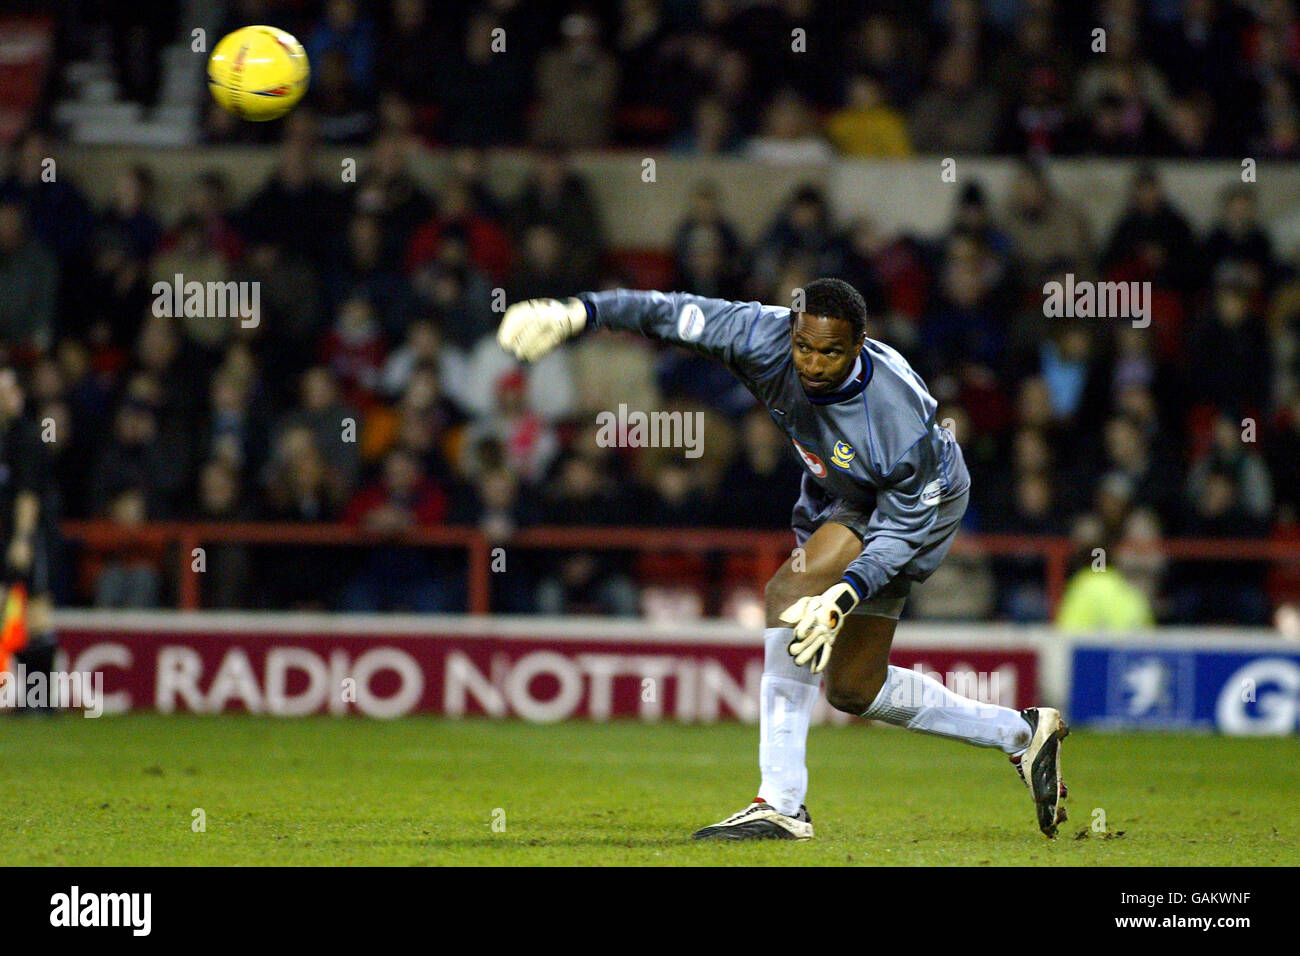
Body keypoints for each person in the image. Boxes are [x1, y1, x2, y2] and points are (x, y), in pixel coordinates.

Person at [498, 279, 1071, 839]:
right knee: (853, 688)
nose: (813, 364)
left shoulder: (895, 417)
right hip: (845, 490)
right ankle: (1020, 734)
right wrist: (582, 312)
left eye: (831, 353)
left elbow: (898, 531)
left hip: (924, 501)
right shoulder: (758, 334)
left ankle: (780, 803)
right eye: (803, 347)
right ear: (790, 332)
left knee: (788, 594)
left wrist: (841, 595)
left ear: (860, 345)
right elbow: (671, 313)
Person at [0, 367, 59, 710]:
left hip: (29, 535)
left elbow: (27, 495)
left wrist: (23, 539)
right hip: (6, 535)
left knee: (35, 612)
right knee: (13, 612)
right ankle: (28, 699)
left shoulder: (26, 438)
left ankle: (41, 700)